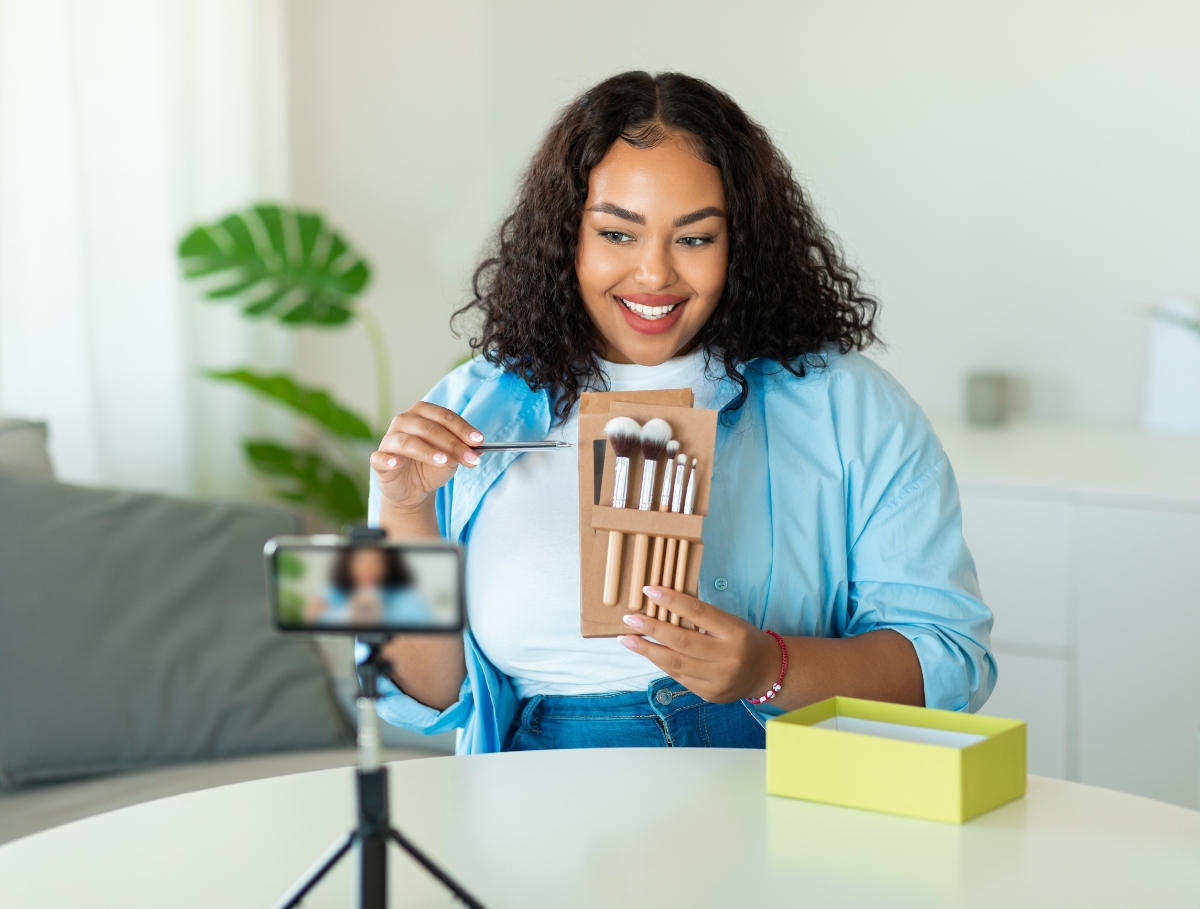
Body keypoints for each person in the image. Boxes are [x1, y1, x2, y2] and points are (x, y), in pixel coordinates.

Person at [367, 71, 995, 754]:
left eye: (694, 238)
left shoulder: (850, 406)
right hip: (528, 789)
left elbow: (950, 661)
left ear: (741, 244)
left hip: (765, 782)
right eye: (617, 234)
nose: (654, 274)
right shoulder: (469, 410)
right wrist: (404, 513)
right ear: (565, 237)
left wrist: (769, 667)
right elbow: (421, 699)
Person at [308, 547, 435, 628]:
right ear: (348, 564)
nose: (368, 568)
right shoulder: (337, 592)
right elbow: (313, 617)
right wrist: (348, 614)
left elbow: (425, 624)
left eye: (376, 562)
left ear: (388, 565)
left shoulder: (406, 598)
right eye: (361, 561)